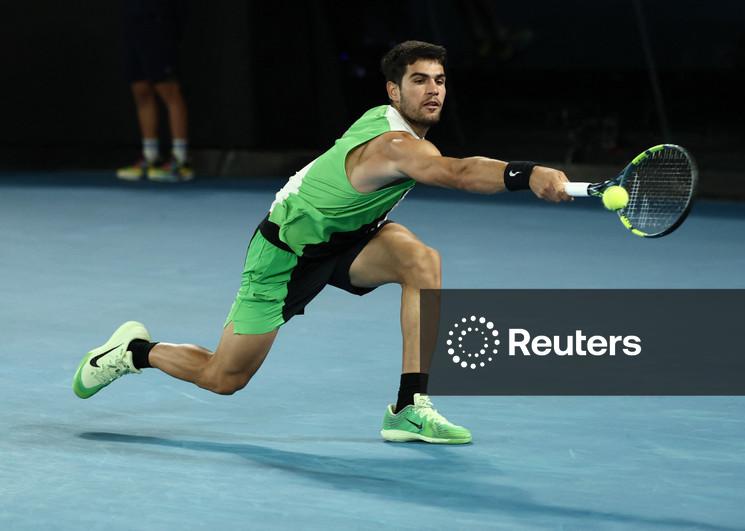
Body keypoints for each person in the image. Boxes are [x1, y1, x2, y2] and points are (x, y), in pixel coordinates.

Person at [74, 40, 571, 444]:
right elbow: (458, 173)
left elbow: (447, 166)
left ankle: (408, 407)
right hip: (283, 256)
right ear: (393, 92)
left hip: (348, 242)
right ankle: (134, 351)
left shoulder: (410, 137)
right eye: (419, 80)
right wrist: (527, 174)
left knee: (421, 262)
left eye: (439, 80)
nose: (433, 90)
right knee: (223, 378)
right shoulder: (393, 144)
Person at [116, 0, 193, 183]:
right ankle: (151, 156)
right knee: (140, 88)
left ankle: (181, 160)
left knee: (167, 89)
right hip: (133, 19)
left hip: (157, 19)